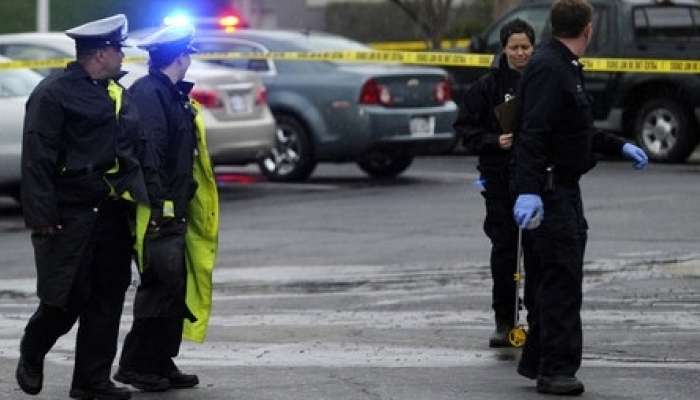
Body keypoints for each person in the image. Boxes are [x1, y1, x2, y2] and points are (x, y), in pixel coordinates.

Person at [511, 0, 649, 395]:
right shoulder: (552, 70)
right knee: (560, 283)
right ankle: (556, 371)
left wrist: (617, 145)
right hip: (551, 194)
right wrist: (528, 190)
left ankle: (537, 359)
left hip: (560, 187)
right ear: (588, 30)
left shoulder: (562, 67)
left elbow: (572, 131)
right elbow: (533, 133)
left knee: (546, 280)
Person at [16, 14, 148, 400]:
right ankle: (32, 348)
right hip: (69, 213)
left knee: (108, 296)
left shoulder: (113, 91)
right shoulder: (53, 93)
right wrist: (42, 218)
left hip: (110, 212)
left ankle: (91, 380)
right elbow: (36, 160)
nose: (123, 55)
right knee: (65, 299)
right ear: (102, 53)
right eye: (118, 49)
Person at [114, 24, 220, 392]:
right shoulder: (150, 95)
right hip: (161, 210)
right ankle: (136, 365)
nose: (190, 58)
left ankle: (161, 360)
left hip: (176, 207)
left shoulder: (171, 94)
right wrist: (161, 207)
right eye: (188, 53)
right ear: (180, 58)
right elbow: (151, 154)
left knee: (175, 287)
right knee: (159, 287)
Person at [453, 18, 535, 347]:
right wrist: (493, 140)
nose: (520, 53)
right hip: (499, 179)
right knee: (504, 249)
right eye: (514, 47)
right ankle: (504, 319)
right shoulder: (485, 87)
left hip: (534, 179)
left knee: (536, 250)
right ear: (503, 49)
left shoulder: (541, 81)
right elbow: (464, 130)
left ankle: (536, 317)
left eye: (525, 47)